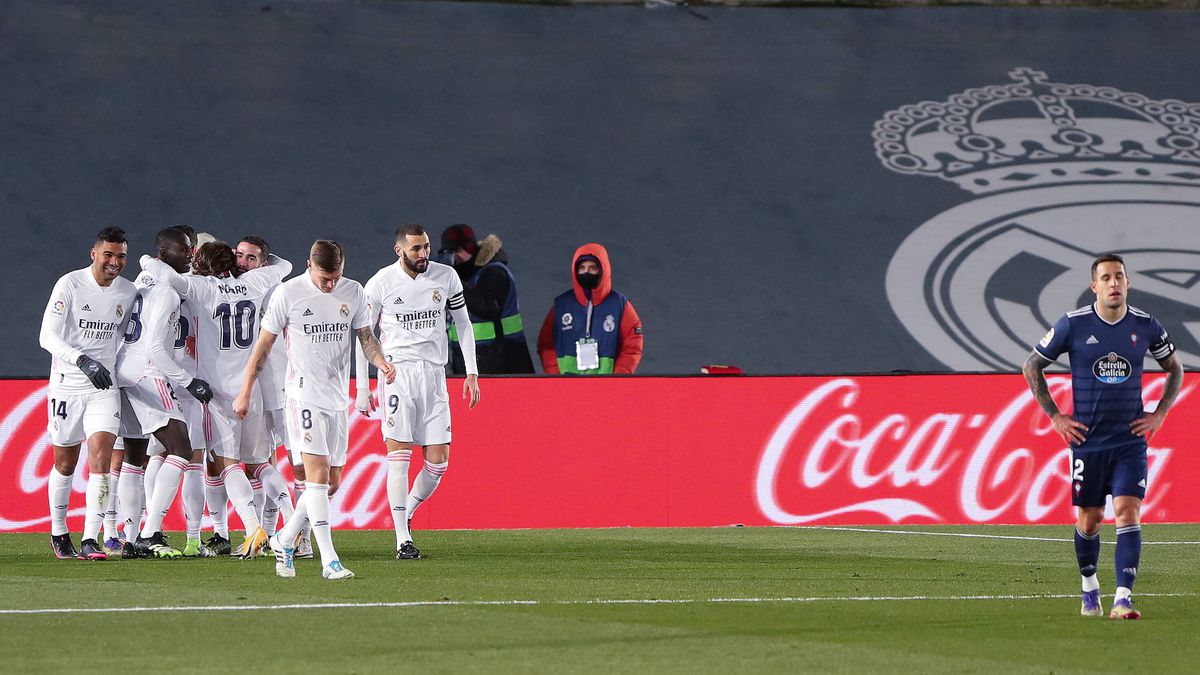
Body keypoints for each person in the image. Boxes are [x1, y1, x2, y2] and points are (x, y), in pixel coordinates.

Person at [1022, 253, 1183, 620]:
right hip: (1088, 442)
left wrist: (1160, 413)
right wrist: (1055, 416)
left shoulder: (1145, 325)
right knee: (1090, 519)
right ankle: (1090, 585)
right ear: (1094, 286)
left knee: (1128, 512)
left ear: (1128, 283)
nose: (1113, 283)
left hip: (1129, 441)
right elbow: (1032, 364)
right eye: (1106, 278)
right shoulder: (1073, 325)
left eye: (1119, 277)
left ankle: (1123, 598)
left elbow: (1174, 367)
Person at [234, 240, 395, 580]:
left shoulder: (353, 292)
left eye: (335, 276)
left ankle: (284, 536)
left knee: (331, 483)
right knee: (317, 478)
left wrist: (381, 362)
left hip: (337, 399)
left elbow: (365, 336)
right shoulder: (288, 294)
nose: (330, 284)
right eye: (324, 277)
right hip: (302, 396)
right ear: (309, 264)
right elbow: (262, 346)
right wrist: (245, 390)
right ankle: (329, 560)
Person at [141, 241, 292, 559]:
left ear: (204, 267)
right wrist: (262, 259)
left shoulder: (200, 287)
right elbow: (285, 266)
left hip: (217, 394)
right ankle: (291, 524)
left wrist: (146, 258)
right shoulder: (253, 282)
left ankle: (253, 529)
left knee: (226, 465)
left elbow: (165, 276)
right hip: (250, 388)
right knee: (260, 464)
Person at [356, 224, 481, 560]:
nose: (423, 254)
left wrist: (471, 371)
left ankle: (406, 512)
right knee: (400, 459)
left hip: (434, 375)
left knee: (438, 463)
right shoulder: (380, 283)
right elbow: (364, 335)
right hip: (397, 374)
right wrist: (364, 387)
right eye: (416, 249)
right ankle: (402, 539)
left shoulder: (447, 277)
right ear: (399, 250)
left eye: (425, 247)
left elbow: (463, 323)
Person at [39, 226, 139, 560]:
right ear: (93, 254)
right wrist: (81, 359)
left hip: (103, 388)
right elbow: (47, 336)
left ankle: (90, 538)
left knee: (101, 460)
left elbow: (128, 339)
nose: (115, 262)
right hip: (68, 384)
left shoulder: (128, 292)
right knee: (65, 464)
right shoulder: (70, 284)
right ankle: (58, 530)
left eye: (121, 256)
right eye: (108, 254)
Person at [115, 227, 215, 558]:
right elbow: (157, 349)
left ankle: (129, 538)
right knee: (181, 448)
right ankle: (150, 532)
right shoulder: (168, 293)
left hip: (123, 370)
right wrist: (188, 381)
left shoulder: (142, 281)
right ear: (164, 255)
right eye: (183, 250)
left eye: (190, 249)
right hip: (148, 372)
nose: (190, 254)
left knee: (134, 457)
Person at [236, 234, 302, 557]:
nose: (243, 263)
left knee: (295, 462)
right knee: (263, 461)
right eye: (240, 256)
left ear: (264, 262)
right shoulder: (250, 286)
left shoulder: (273, 289)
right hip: (259, 388)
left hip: (279, 387)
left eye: (252, 258)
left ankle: (297, 534)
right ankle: (278, 535)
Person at [439, 224, 535, 375]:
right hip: (470, 361)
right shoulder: (461, 279)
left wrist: (454, 282)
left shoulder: (494, 272)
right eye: (449, 252)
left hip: (501, 360)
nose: (454, 257)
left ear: (470, 248)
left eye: (458, 250)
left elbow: (488, 307)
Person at [537, 243, 644, 375]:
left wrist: (619, 377)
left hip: (607, 387)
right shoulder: (562, 305)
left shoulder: (619, 304)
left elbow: (632, 345)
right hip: (566, 386)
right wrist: (555, 375)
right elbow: (546, 345)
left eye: (592, 268)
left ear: (603, 270)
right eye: (582, 268)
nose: (586, 272)